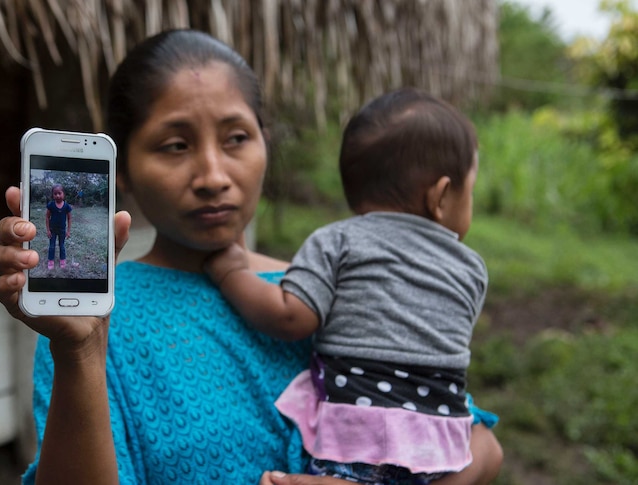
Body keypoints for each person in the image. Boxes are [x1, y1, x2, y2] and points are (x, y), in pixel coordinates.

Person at [0, 29, 503, 485]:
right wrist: (80, 356)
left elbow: (478, 444)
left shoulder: (327, 286)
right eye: (174, 145)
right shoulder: (94, 327)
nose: (213, 175)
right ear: (121, 169)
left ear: (264, 143)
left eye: (236, 138)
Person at [204, 88, 496, 484]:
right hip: (443, 439)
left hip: (359, 429)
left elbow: (292, 316)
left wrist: (231, 274)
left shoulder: (337, 241)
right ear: (441, 196)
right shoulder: (472, 268)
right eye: (471, 191)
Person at [45, 184, 72, 270]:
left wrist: (68, 231)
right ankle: (50, 261)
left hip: (62, 230)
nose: (57, 195)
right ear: (53, 195)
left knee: (62, 245)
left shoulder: (67, 206)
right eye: (55, 193)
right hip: (52, 230)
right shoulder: (51, 205)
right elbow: (47, 217)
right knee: (52, 246)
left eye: (59, 193)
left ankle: (62, 260)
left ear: (63, 194)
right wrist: (48, 230)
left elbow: (69, 218)